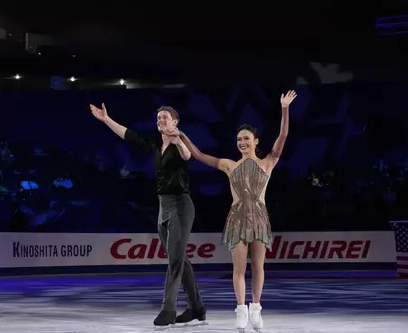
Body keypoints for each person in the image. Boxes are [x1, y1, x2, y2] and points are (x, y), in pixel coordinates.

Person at [167, 90, 297, 332]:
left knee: (258, 267)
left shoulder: (268, 162)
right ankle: (241, 310)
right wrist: (181, 135)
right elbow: (198, 156)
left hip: (259, 218)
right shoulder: (229, 165)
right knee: (238, 269)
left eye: (246, 138)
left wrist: (284, 108)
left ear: (256, 141)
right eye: (239, 139)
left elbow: (283, 134)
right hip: (237, 219)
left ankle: (256, 308)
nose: (242, 142)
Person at [89, 103, 205, 327]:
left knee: (175, 260)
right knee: (179, 259)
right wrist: (106, 119)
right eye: (159, 117)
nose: (161, 120)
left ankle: (168, 310)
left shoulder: (180, 143)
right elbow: (129, 135)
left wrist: (179, 139)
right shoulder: (154, 144)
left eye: (165, 118)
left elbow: (188, 155)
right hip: (163, 205)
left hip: (181, 204)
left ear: (175, 122)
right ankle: (196, 307)